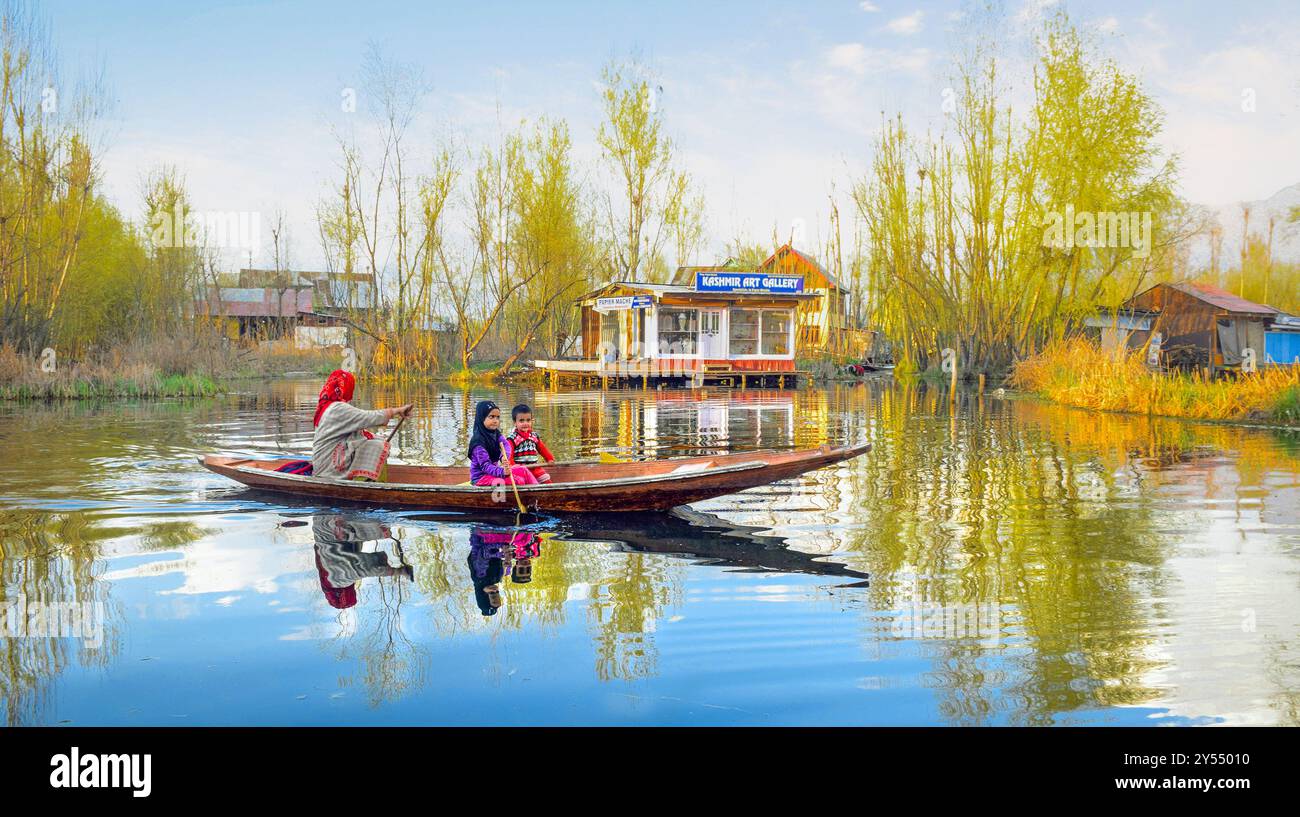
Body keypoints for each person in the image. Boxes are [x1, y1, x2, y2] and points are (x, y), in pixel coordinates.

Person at [311, 369, 412, 481]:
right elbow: (369, 417)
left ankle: (366, 481)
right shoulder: (337, 409)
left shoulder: (326, 406)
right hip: (328, 472)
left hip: (323, 466)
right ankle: (367, 483)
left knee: (376, 440)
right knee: (377, 445)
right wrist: (397, 411)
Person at [467, 400, 538, 487]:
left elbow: (506, 444)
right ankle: (528, 498)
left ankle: (539, 493)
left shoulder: (495, 433)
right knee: (518, 481)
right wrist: (502, 472)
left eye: (497, 417)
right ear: (482, 418)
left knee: (523, 470)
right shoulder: (478, 442)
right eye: (491, 417)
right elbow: (485, 466)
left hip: (494, 472)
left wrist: (503, 457)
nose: (495, 420)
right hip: (481, 478)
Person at [503, 403, 555, 484]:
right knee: (527, 482)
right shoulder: (512, 439)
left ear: (531, 420)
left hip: (535, 468)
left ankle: (551, 493)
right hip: (521, 470)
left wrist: (549, 459)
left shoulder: (534, 436)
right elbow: (509, 456)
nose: (525, 423)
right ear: (515, 422)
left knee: (546, 480)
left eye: (528, 420)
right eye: (521, 421)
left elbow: (542, 449)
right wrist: (512, 467)